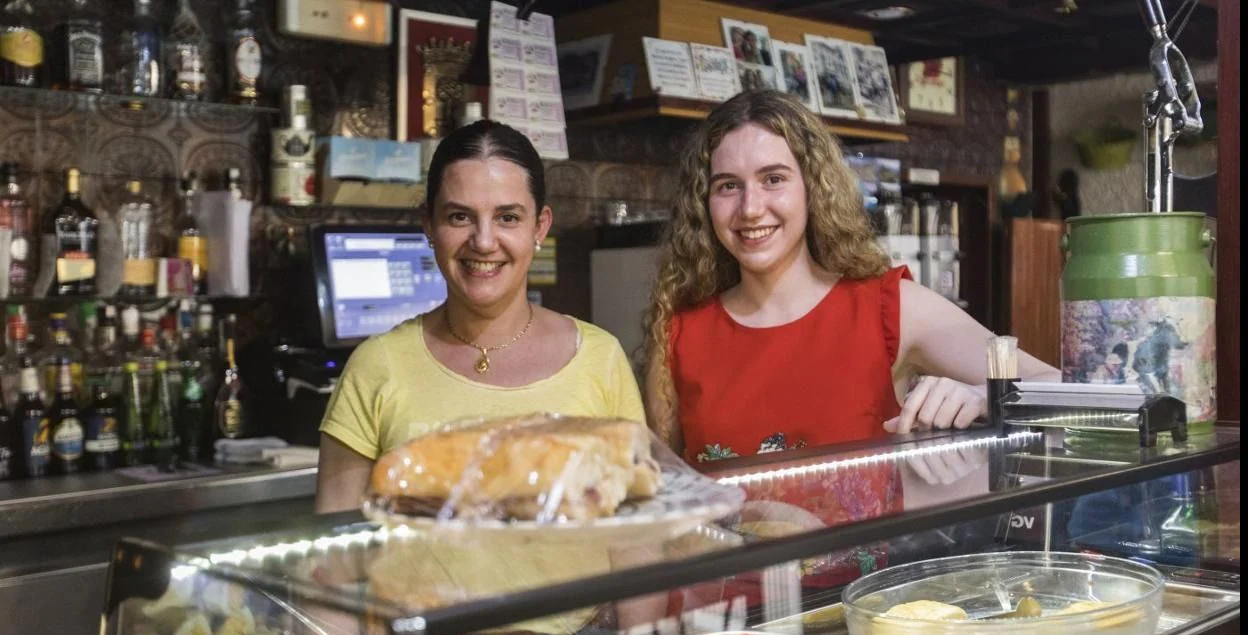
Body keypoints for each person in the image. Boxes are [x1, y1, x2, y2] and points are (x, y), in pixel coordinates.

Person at [643, 89, 1058, 465]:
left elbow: (1057, 384)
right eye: (728, 186)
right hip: (730, 551)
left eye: (773, 180)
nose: (751, 208)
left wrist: (985, 397)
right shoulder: (679, 331)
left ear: (812, 189)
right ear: (704, 203)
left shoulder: (889, 306)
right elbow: (660, 484)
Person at [317, 119, 645, 514]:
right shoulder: (376, 367)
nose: (484, 242)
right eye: (459, 217)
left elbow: (638, 529)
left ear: (539, 227)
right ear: (429, 226)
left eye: (507, 217)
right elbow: (336, 549)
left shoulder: (600, 358)